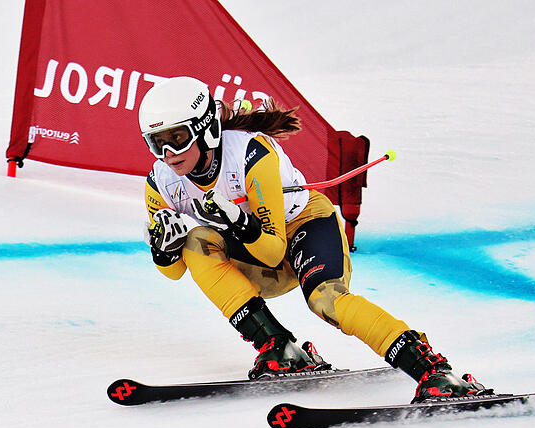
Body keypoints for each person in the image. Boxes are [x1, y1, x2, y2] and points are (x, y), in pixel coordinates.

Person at [139, 76, 491, 402]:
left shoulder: (251, 155)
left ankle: (432, 369)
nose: (169, 155)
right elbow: (172, 273)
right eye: (158, 143)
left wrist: (239, 221)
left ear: (206, 129)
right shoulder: (160, 182)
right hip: (258, 254)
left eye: (178, 139)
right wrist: (164, 249)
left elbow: (274, 251)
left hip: (304, 226)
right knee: (195, 241)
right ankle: (277, 347)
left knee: (327, 301)